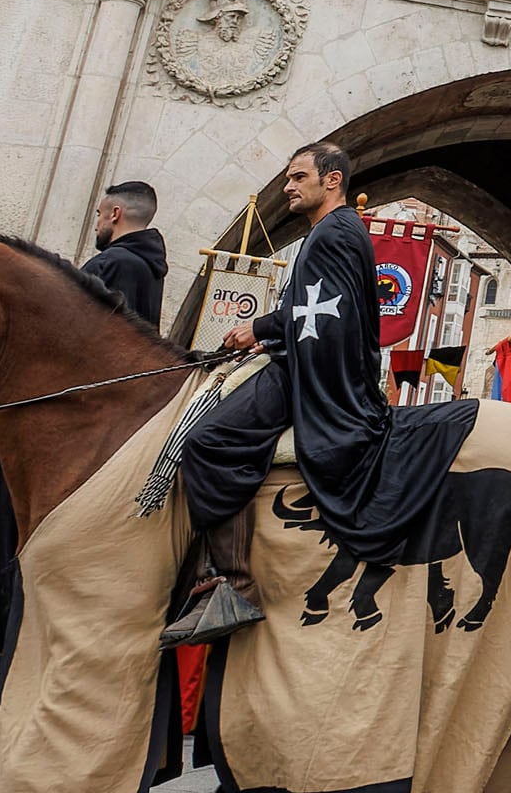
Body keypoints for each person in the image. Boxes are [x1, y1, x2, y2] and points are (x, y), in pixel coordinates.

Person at [159, 142, 478, 645]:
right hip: (299, 359)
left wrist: (267, 339)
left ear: (332, 181)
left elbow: (323, 322)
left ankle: (235, 587)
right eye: (288, 178)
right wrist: (263, 329)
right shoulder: (332, 232)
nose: (288, 186)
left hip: (310, 375)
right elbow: (312, 309)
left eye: (298, 176)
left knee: (210, 441)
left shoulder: (333, 233)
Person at [0, 185, 170, 654]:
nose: (96, 224)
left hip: (63, 408)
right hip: (83, 404)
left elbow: (66, 345)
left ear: (115, 213)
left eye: (97, 214)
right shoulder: (143, 268)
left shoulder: (114, 265)